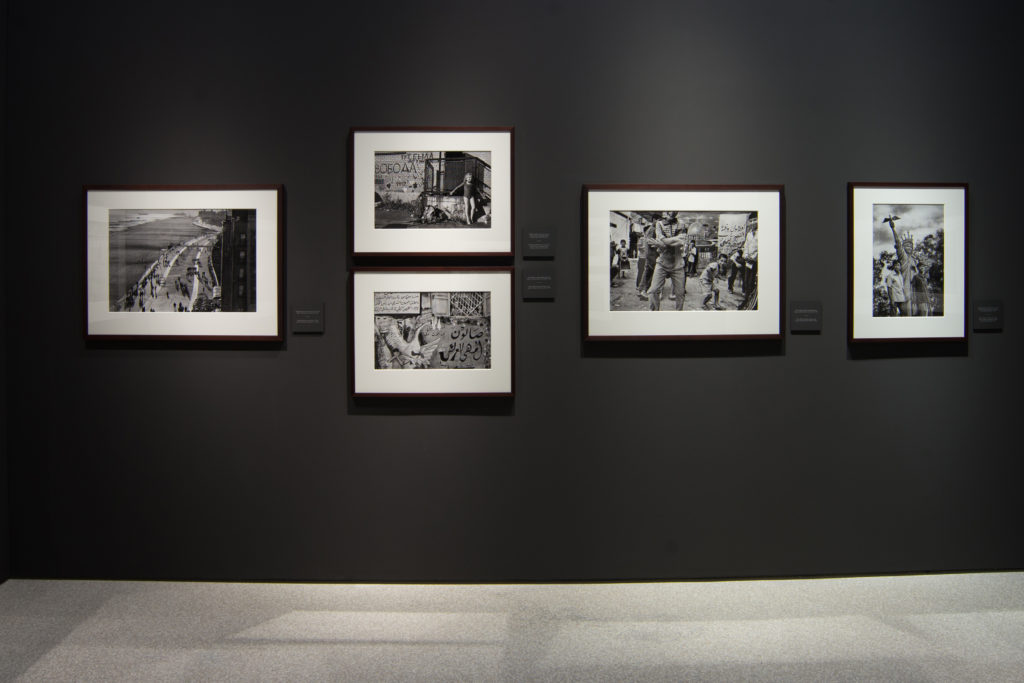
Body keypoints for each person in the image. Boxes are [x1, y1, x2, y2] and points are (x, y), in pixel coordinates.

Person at [646, 212, 688, 311]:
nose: (672, 212)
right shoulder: (659, 223)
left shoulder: (682, 224)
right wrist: (675, 240)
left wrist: (663, 244)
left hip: (677, 264)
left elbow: (680, 242)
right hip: (662, 263)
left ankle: (678, 315)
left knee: (680, 293)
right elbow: (668, 240)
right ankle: (654, 314)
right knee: (653, 291)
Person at [741, 217, 758, 307]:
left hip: (756, 262)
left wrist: (754, 257)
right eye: (751, 221)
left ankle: (750, 302)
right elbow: (746, 246)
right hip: (748, 261)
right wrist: (746, 255)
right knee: (746, 281)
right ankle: (746, 300)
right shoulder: (749, 234)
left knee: (752, 282)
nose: (753, 222)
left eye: (755, 220)